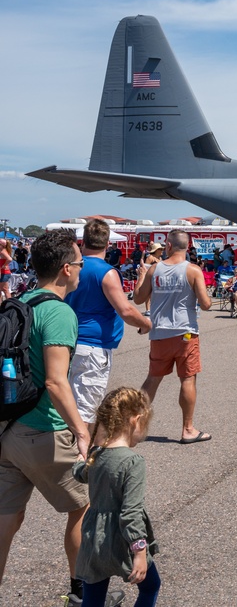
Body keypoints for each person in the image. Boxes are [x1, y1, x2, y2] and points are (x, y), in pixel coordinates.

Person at [0, 229, 90, 603]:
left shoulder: (20, 302)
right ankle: (82, 592)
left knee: (7, 519)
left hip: (9, 429)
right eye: (80, 263)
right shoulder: (58, 312)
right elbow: (56, 381)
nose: (82, 269)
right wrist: (82, 431)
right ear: (67, 269)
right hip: (44, 432)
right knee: (84, 507)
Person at [73, 388, 160, 607]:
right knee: (151, 586)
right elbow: (131, 512)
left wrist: (78, 459)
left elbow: (81, 473)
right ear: (135, 420)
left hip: (94, 538)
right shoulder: (133, 461)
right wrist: (140, 551)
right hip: (123, 540)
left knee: (94, 595)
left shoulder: (96, 455)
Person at [65, 219, 152, 435]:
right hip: (93, 347)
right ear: (107, 243)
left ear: (83, 241)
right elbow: (126, 310)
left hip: (68, 341)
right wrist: (145, 323)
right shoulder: (106, 272)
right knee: (86, 410)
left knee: (67, 403)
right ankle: (81, 458)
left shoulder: (70, 268)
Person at [132, 229, 213, 444]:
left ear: (168, 246)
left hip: (159, 333)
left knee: (153, 378)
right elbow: (206, 305)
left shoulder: (154, 269)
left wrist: (141, 277)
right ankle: (188, 429)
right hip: (185, 332)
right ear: (187, 247)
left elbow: (139, 299)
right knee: (187, 378)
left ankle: (134, 425)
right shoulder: (193, 270)